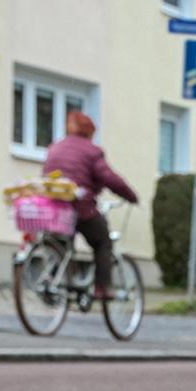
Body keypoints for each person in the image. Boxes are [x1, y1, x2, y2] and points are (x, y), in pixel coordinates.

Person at [42, 112, 140, 299]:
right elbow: (109, 178)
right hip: (79, 206)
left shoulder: (55, 148)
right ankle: (102, 288)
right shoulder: (92, 151)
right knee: (103, 241)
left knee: (62, 245)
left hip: (54, 207)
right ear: (90, 132)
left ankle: (52, 278)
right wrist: (131, 196)